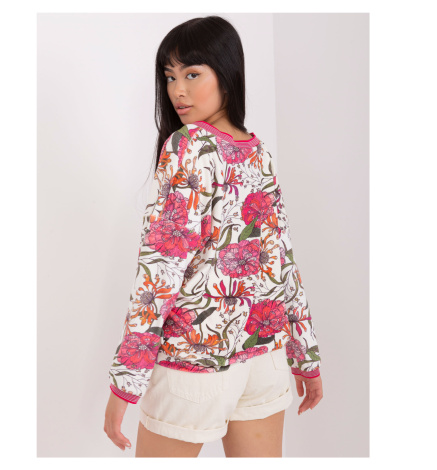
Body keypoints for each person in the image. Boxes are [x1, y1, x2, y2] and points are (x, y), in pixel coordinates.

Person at [104, 15, 323, 458]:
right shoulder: (257, 151)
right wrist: (305, 354)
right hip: (264, 357)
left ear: (226, 72)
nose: (177, 90)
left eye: (192, 74)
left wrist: (126, 382)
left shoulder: (189, 146)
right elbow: (282, 262)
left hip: (195, 361)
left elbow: (160, 270)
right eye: (170, 76)